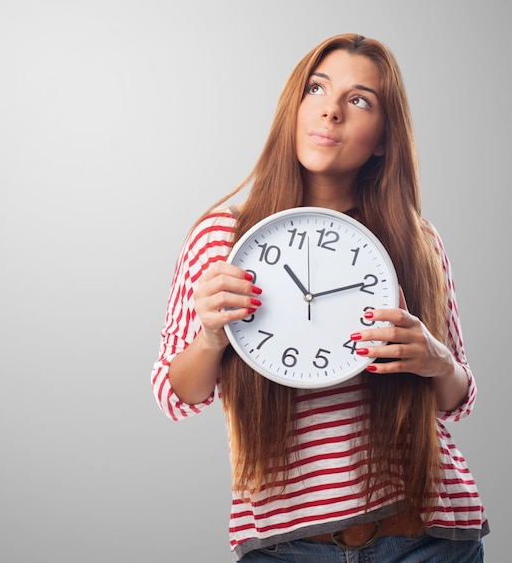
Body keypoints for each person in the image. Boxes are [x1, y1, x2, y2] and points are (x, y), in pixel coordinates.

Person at [151, 33, 489, 561]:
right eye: (317, 88)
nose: (331, 111)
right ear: (295, 107)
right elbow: (176, 395)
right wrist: (212, 335)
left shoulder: (417, 241)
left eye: (359, 100)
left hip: (428, 537)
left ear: (382, 138)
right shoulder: (224, 238)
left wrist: (436, 359)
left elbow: (458, 400)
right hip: (287, 548)